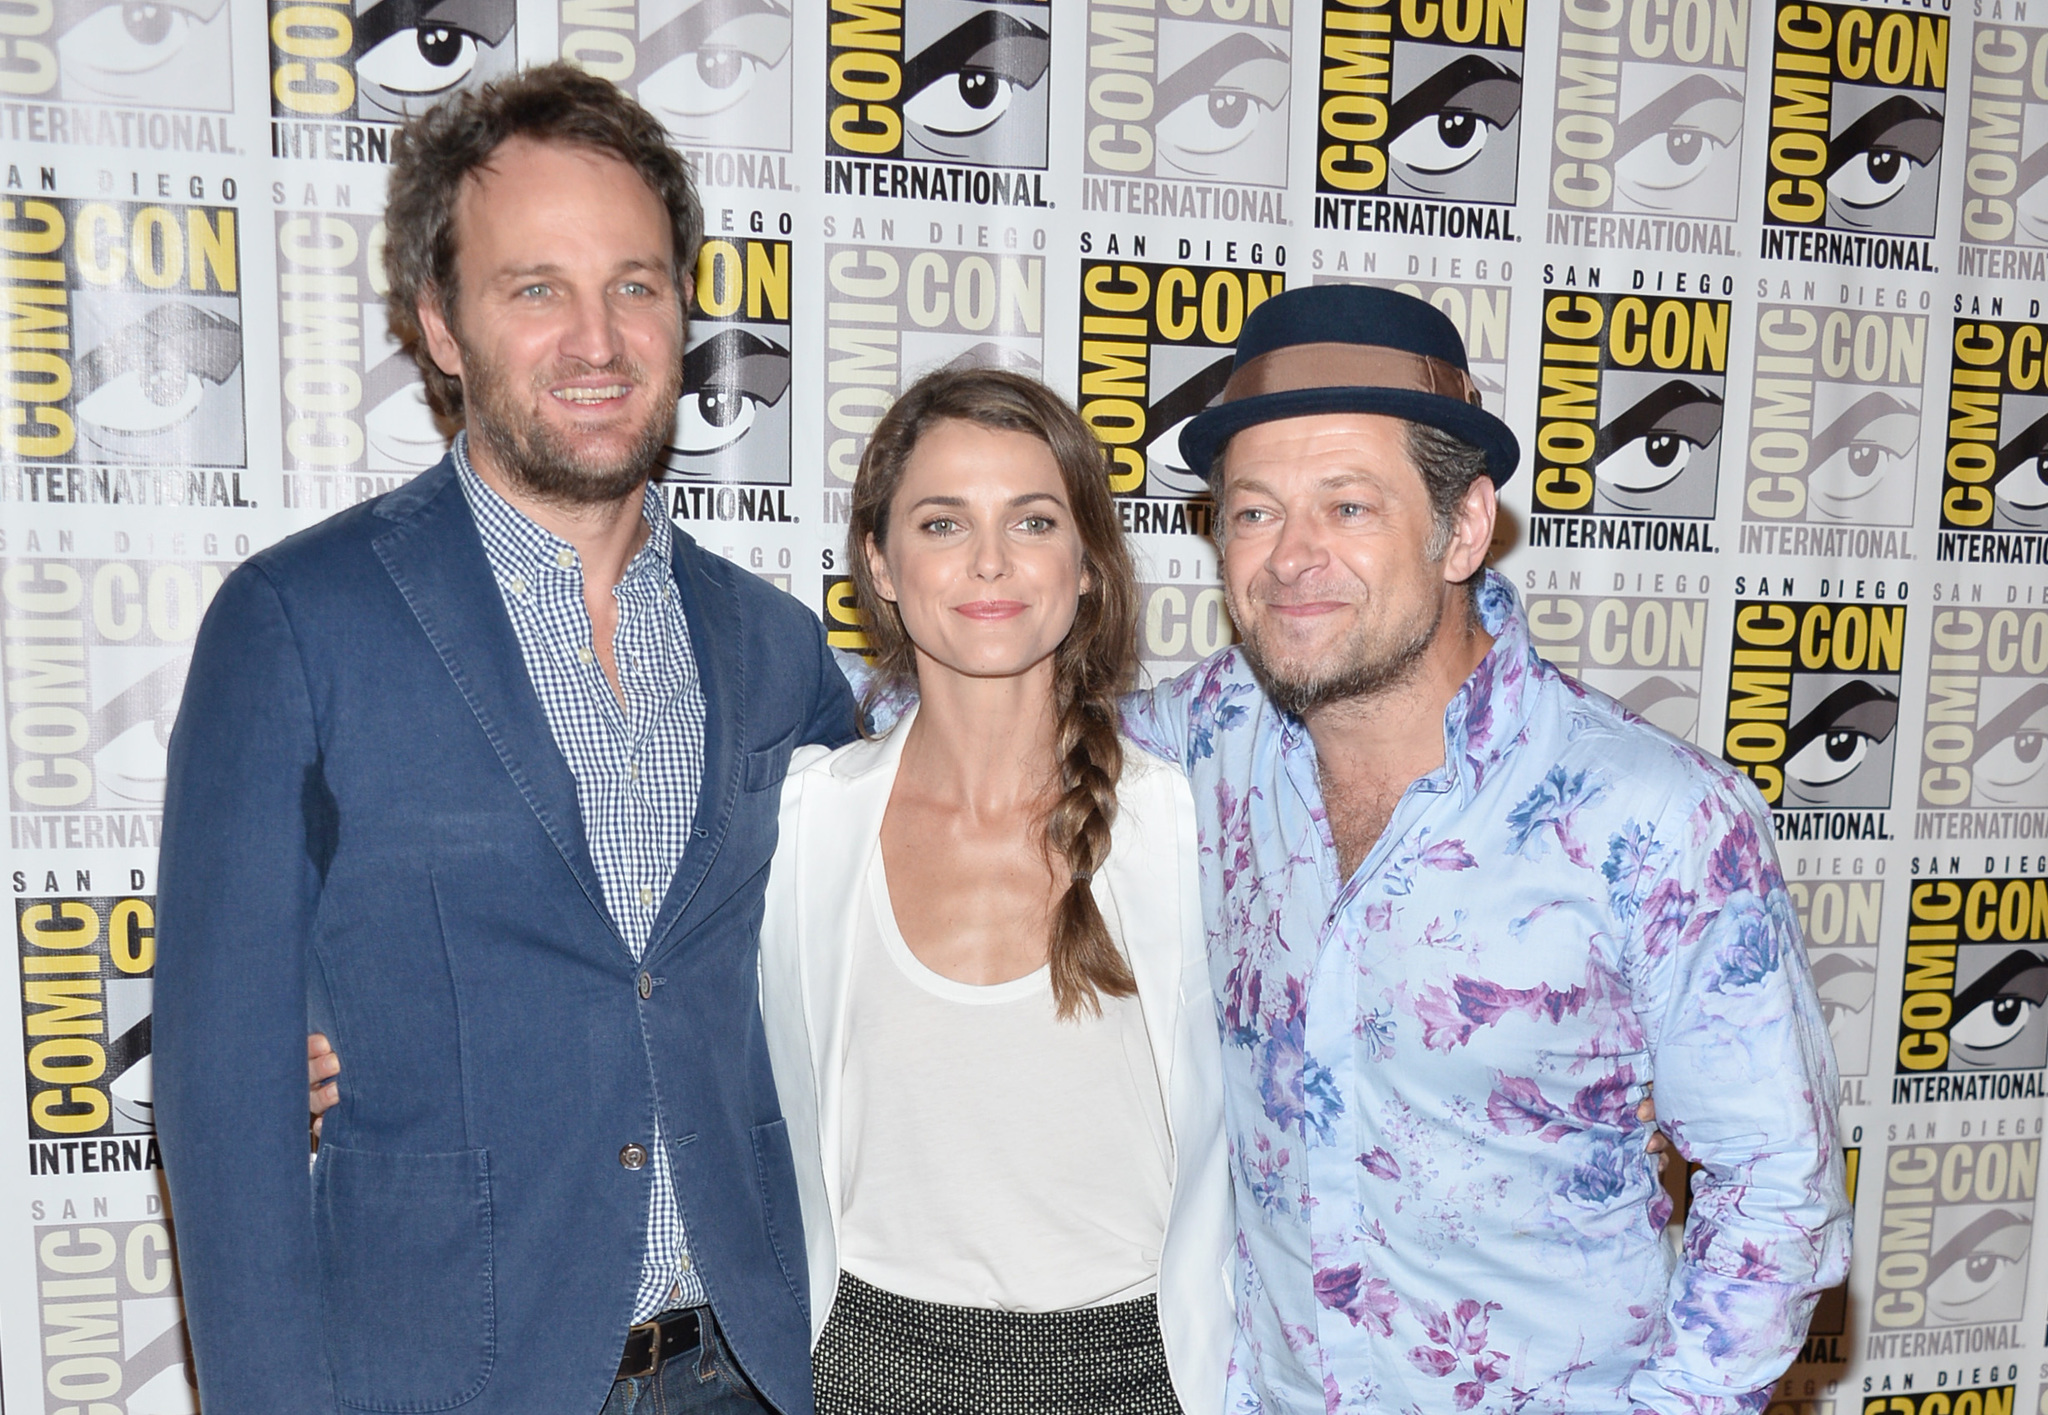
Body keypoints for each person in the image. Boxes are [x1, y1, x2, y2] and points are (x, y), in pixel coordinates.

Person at [153, 64, 854, 1415]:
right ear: (442, 327)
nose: (597, 339)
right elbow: (224, 1098)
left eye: (635, 285)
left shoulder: (777, 649)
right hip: (448, 1374)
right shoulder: (297, 621)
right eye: (536, 288)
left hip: (752, 1372)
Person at [1118, 282, 1850, 1412]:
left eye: (1348, 506)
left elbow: (1775, 1187)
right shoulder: (1199, 739)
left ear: (1461, 526)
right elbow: (1000, 741)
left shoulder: (1654, 817)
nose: (1289, 556)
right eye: (1253, 511)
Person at [756, 367, 1233, 1415]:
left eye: (1029, 520)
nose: (985, 561)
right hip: (863, 1370)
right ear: (878, 563)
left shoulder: (1186, 828)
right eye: (939, 522)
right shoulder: (799, 826)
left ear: (1086, 565)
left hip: (1135, 1375)